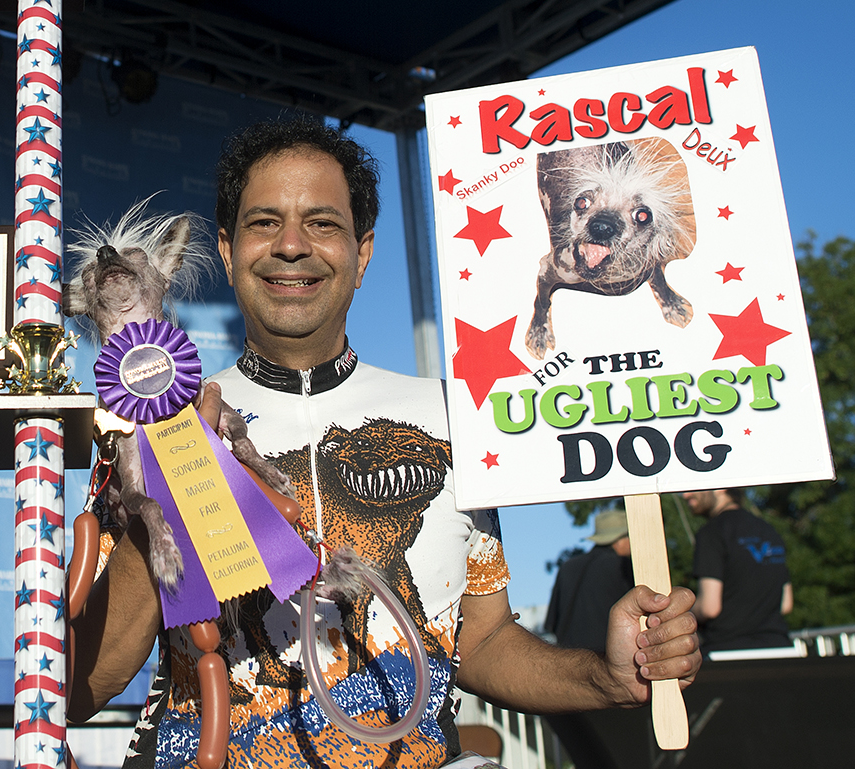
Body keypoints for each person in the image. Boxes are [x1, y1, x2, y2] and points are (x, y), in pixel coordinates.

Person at [68, 116, 702, 768]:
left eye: (321, 222)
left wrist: (604, 676)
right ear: (227, 251)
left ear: (362, 251)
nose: (291, 245)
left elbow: (481, 643)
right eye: (264, 222)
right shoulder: (153, 424)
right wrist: (171, 489)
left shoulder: (454, 417)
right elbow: (82, 687)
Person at [682, 487, 794, 652]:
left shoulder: (712, 532)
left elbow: (709, 608)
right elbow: (786, 604)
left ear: (721, 488)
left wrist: (681, 613)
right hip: (780, 649)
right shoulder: (769, 531)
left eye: (694, 487)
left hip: (729, 653)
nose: (686, 495)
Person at [545, 510, 634, 651]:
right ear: (618, 540)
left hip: (571, 661)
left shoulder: (567, 567)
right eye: (629, 537)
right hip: (608, 661)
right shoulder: (623, 566)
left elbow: (552, 624)